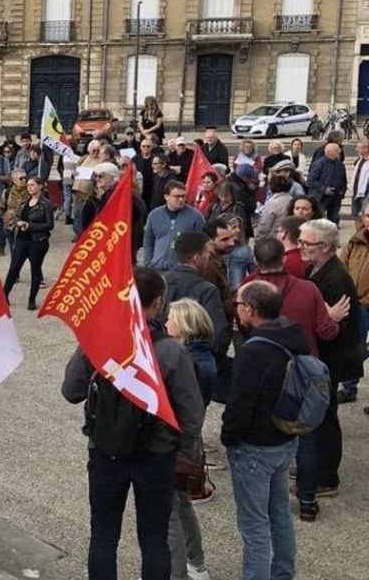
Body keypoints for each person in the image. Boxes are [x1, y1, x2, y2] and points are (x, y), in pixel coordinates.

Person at [61, 267, 204, 580]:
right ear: (156, 304)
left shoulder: (99, 340)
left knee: (103, 536)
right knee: (154, 541)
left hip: (105, 452)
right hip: (156, 457)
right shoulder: (171, 352)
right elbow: (192, 415)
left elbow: (70, 391)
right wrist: (178, 449)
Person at [223, 281, 301, 575]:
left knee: (254, 524)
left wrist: (229, 438)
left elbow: (240, 403)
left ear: (251, 310)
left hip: (255, 447)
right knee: (279, 514)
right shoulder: (291, 336)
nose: (236, 310)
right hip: (284, 439)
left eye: (238, 305)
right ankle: (283, 573)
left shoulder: (253, 351)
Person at [295, 218, 361, 520]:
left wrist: (322, 317)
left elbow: (335, 326)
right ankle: (314, 464)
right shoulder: (318, 268)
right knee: (318, 415)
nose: (300, 247)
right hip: (324, 356)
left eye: (306, 243)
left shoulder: (334, 278)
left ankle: (325, 476)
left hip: (331, 358)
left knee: (325, 415)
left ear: (324, 246)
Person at [165, 298, 216, 578]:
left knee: (169, 512)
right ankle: (196, 563)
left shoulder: (189, 362)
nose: (166, 322)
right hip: (188, 443)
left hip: (177, 444)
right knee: (182, 506)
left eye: (172, 318)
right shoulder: (203, 358)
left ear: (184, 326)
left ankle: (175, 572)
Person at [163, 232, 230, 363]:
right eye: (207, 254)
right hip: (196, 361)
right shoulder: (207, 290)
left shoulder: (161, 282)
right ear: (197, 258)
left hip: (163, 358)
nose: (208, 258)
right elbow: (217, 333)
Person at [1, 176, 54, 310]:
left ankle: (32, 299)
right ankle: (4, 294)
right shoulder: (25, 201)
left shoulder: (45, 204)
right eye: (28, 185)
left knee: (35, 270)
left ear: (40, 186)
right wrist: (18, 222)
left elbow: (49, 224)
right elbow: (17, 216)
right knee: (14, 268)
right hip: (22, 239)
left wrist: (30, 225)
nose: (29, 187)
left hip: (37, 241)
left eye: (32, 185)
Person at [337, 210, 369, 403]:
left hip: (365, 303)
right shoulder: (354, 241)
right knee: (353, 346)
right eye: (367, 215)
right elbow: (342, 267)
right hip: (356, 303)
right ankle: (349, 388)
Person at [143, 180, 205, 272]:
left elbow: (202, 244)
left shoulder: (195, 217)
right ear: (166, 196)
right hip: (157, 268)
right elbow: (148, 241)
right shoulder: (155, 215)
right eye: (177, 196)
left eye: (183, 196)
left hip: (181, 271)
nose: (181, 199)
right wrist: (148, 262)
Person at [307, 142, 347, 223]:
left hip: (335, 197)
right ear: (329, 152)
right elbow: (311, 180)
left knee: (334, 218)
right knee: (317, 219)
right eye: (337, 150)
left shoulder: (340, 165)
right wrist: (324, 189)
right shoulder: (318, 164)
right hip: (321, 197)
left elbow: (344, 180)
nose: (339, 152)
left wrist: (342, 191)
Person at [255, 174, 294, 242]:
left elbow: (265, 224)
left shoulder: (273, 203)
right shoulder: (291, 200)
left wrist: (258, 239)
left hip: (272, 239)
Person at [0, 168, 30, 253]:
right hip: (11, 225)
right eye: (21, 178)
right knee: (13, 249)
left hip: (25, 226)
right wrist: (7, 219)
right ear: (14, 180)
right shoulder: (7, 192)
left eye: (25, 178)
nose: (24, 180)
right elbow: (2, 208)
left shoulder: (29, 191)